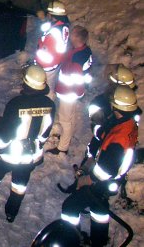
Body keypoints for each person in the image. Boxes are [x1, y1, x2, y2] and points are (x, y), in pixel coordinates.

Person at [0, 65, 55, 223]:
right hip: (31, 155)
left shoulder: (16, 104)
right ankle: (11, 213)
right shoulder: (50, 105)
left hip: (10, 154)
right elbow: (46, 132)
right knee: (20, 184)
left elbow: (5, 133)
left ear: (26, 82)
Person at [60, 86, 140, 247]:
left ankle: (73, 239)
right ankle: (99, 240)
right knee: (100, 209)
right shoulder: (127, 124)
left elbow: (106, 169)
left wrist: (87, 179)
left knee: (69, 207)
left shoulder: (119, 137)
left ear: (116, 106)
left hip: (102, 181)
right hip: (113, 180)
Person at [46, 25, 92, 155]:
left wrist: (64, 90)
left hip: (68, 93)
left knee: (65, 119)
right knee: (69, 118)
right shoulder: (83, 51)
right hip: (71, 92)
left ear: (77, 37)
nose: (70, 34)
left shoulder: (77, 58)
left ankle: (62, 148)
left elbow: (75, 79)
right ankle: (65, 140)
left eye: (73, 33)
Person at [34, 0, 70, 100]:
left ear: (51, 14)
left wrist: (38, 64)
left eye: (48, 13)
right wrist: (42, 20)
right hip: (56, 63)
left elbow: (46, 50)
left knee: (47, 90)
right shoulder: (62, 25)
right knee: (50, 86)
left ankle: (47, 105)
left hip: (47, 66)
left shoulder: (54, 32)